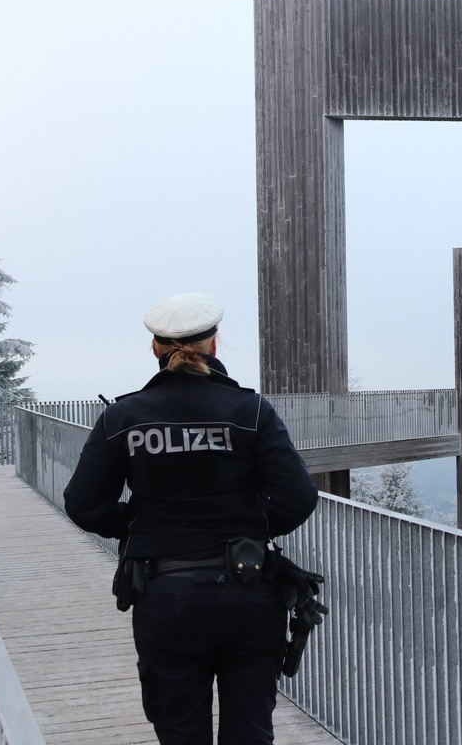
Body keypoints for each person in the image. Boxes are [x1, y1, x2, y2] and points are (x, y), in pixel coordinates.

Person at [64, 291, 319, 745]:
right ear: (214, 346)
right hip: (249, 592)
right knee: (251, 732)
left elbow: (84, 504)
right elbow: (298, 498)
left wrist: (138, 524)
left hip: (166, 597)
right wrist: (248, 524)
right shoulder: (252, 411)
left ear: (156, 350)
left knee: (180, 733)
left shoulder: (123, 417)